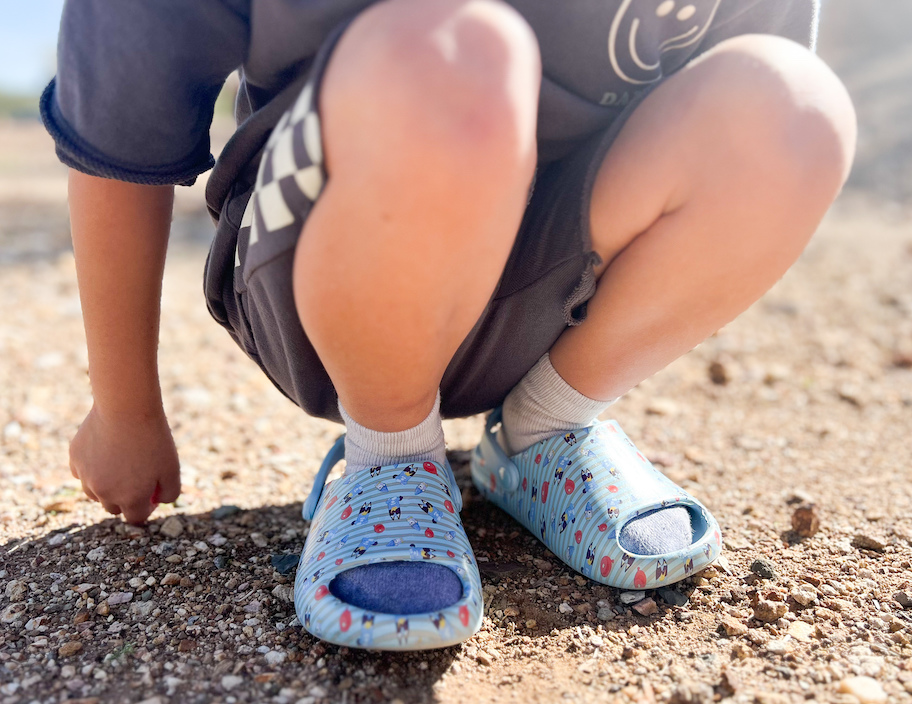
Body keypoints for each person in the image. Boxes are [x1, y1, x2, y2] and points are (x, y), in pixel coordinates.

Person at [43, 0, 856, 650]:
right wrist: (125, 408)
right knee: (456, 48)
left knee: (793, 101)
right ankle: (390, 452)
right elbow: (121, 122)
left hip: (553, 287)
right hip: (326, 271)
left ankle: (545, 430)